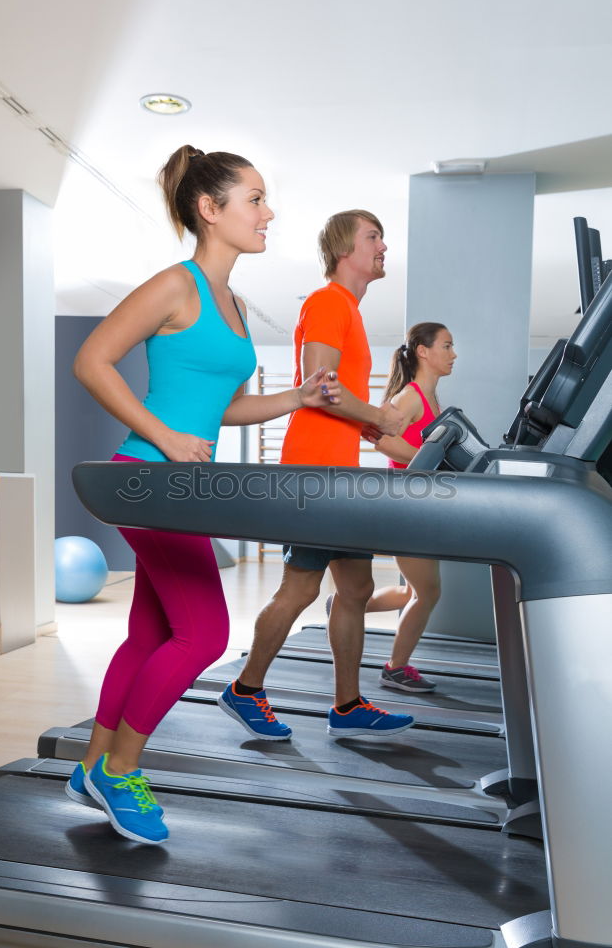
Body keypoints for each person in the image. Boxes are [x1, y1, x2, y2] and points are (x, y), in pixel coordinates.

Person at [67, 144, 342, 844]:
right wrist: (164, 435)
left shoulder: (236, 305)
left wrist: (296, 396)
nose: (268, 212)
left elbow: (221, 408)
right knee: (207, 634)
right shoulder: (175, 285)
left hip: (183, 485)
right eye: (254, 199)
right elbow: (91, 360)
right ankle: (121, 769)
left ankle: (92, 763)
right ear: (209, 209)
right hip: (148, 477)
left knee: (153, 633)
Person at [219, 209, 414, 742]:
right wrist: (376, 415)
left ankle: (347, 704)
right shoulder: (329, 302)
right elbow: (321, 387)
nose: (383, 246)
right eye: (373, 237)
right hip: (316, 471)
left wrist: (375, 429)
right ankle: (245, 688)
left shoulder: (347, 309)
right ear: (343, 248)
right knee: (301, 587)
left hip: (337, 466)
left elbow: (339, 400)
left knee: (356, 585)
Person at [365, 322, 457, 693]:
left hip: (422, 504)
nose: (453, 354)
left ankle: (344, 607)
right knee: (427, 593)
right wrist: (425, 460)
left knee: (409, 592)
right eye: (447, 346)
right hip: (404, 503)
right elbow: (382, 441)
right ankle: (396, 668)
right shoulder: (412, 396)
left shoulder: (434, 400)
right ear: (423, 351)